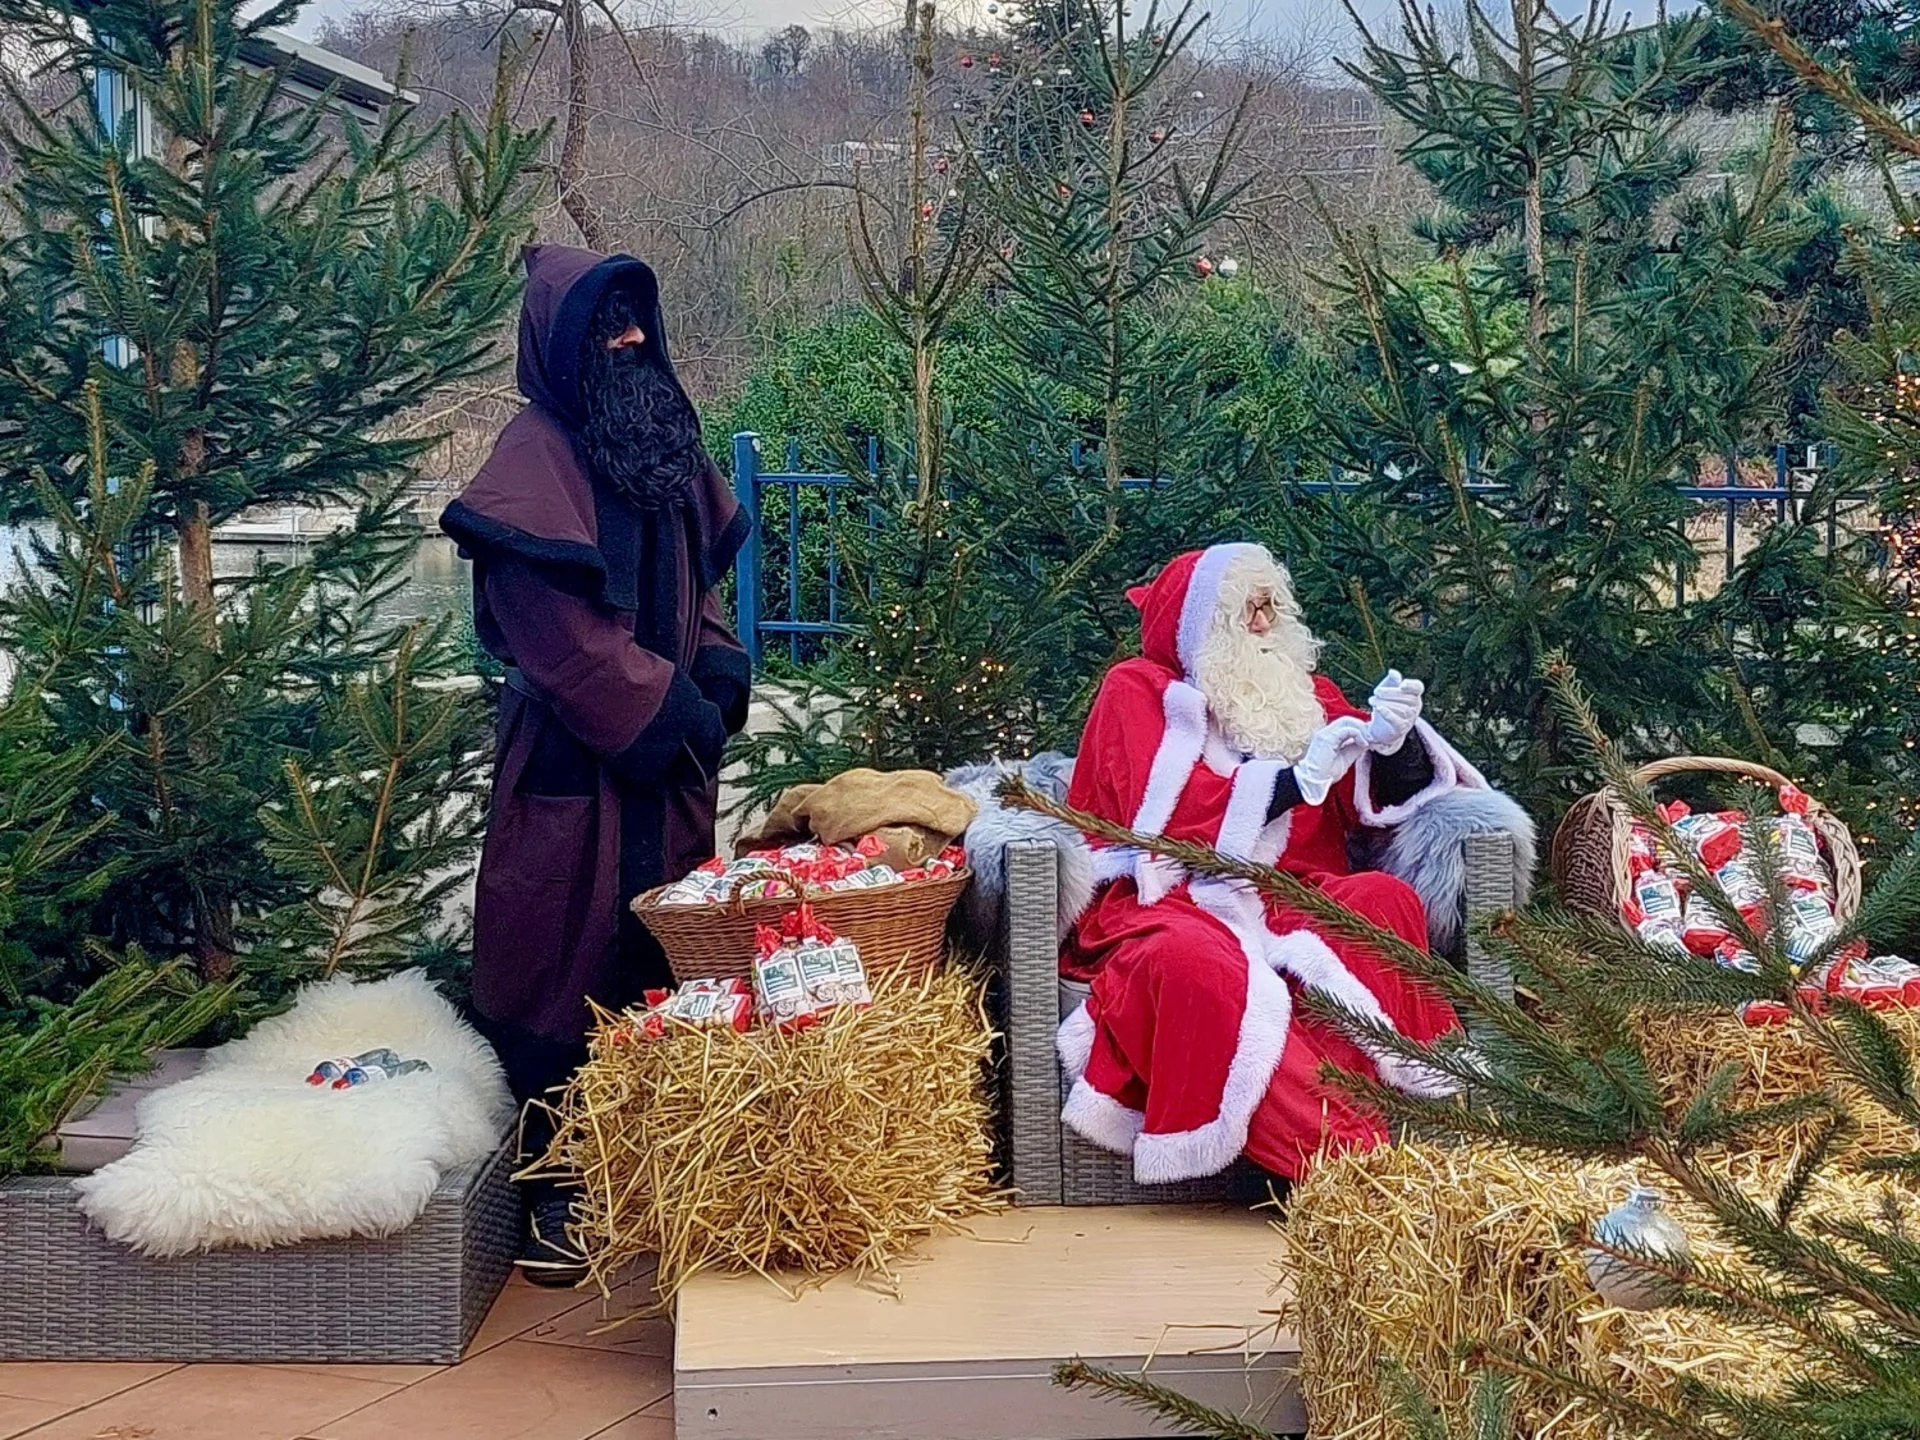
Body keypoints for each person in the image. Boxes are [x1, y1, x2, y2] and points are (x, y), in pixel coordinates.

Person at [441, 245, 751, 1282]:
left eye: (634, 320)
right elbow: (555, 632)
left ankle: (659, 1170)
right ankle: (559, 1188)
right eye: (604, 325)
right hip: (574, 771)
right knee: (556, 966)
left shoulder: (657, 438)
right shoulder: (532, 458)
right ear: (561, 344)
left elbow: (702, 585)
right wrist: (667, 709)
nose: (627, 339)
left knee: (669, 962)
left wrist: (718, 672)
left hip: (668, 771)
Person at [1059, 542, 1480, 1184]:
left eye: (1271, 605)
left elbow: (1370, 801)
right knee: (1191, 963)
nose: (1263, 622)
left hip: (1292, 892)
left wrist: (1396, 745)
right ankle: (1345, 1161)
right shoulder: (1137, 688)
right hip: (1169, 896)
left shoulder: (1305, 695)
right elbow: (1162, 819)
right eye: (1246, 608)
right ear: (1198, 623)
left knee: (1382, 901)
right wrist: (1292, 781)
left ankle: (1388, 1117)